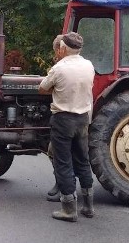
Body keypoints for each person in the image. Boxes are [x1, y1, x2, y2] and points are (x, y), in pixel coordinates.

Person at [38, 32, 95, 222]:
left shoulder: (59, 68)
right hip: (82, 119)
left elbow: (43, 88)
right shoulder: (89, 65)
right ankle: (88, 206)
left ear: (62, 48)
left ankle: (69, 210)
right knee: (83, 161)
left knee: (63, 163)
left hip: (63, 120)